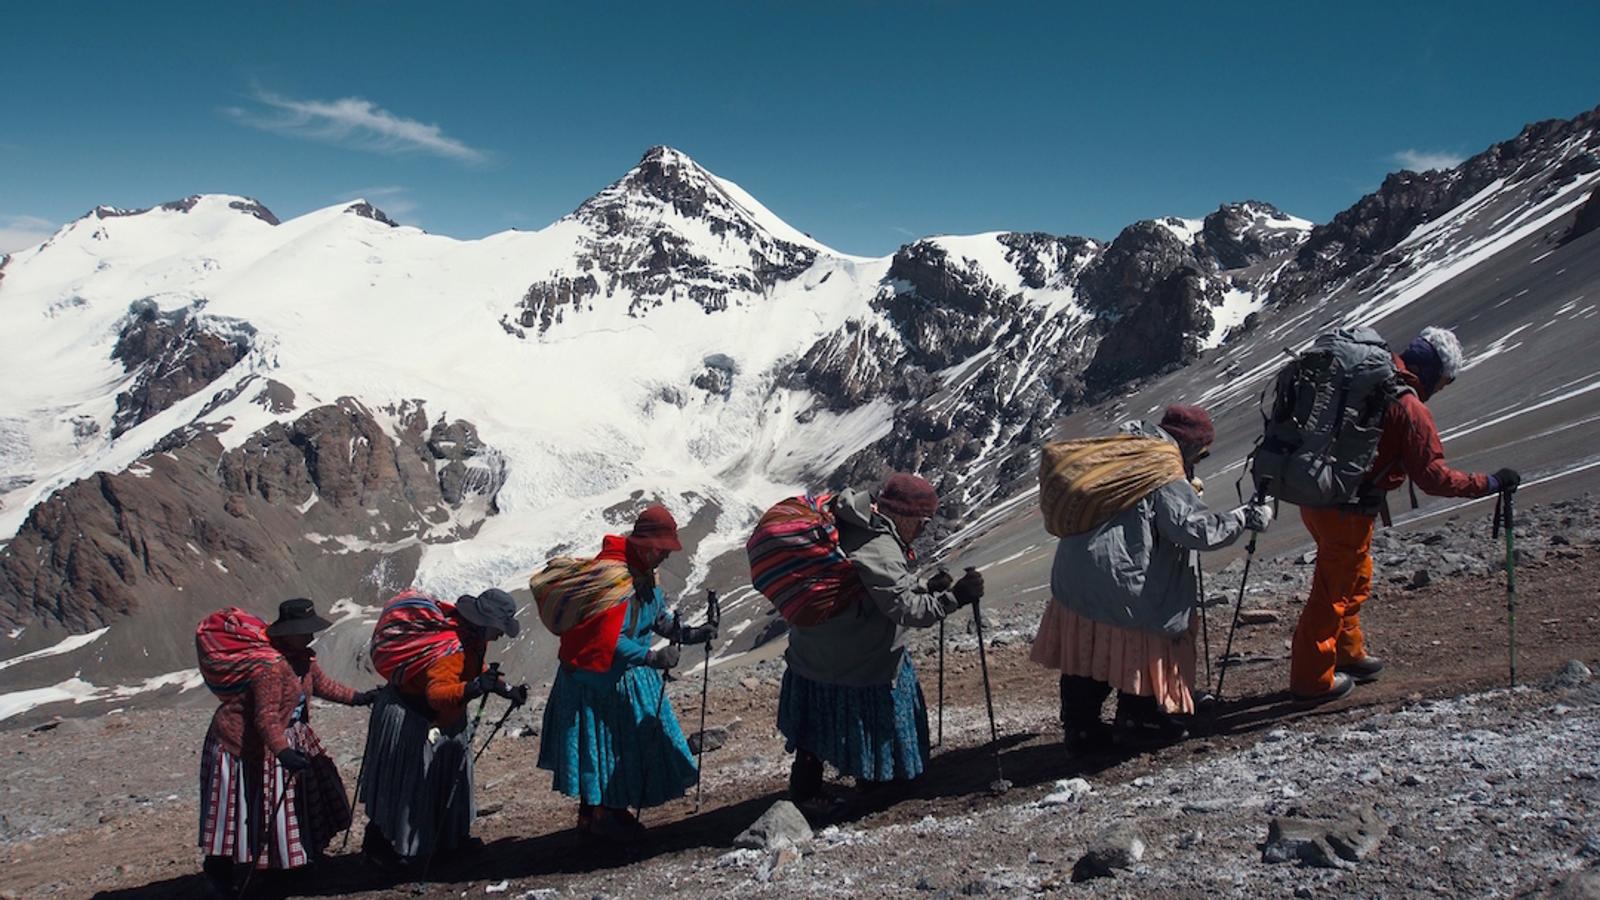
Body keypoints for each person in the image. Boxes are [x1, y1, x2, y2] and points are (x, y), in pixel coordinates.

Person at [1289, 327, 1519, 702]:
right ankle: (1311, 680)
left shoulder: (1369, 381)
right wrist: (1489, 483)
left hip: (1318, 497)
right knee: (1333, 592)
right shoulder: (1408, 406)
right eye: (1444, 381)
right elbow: (1433, 477)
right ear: (1434, 371)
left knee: (1353, 578)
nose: (1440, 389)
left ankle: (1347, 653)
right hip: (1349, 509)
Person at [1030, 406, 1271, 749]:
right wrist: (1243, 517)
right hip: (1122, 582)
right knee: (1139, 647)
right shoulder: (1162, 470)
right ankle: (1138, 716)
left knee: (1088, 651)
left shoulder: (1127, 452)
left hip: (1075, 575)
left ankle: (1080, 728)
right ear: (1190, 445)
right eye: (1200, 453)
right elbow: (1194, 530)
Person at [777, 473, 981, 809]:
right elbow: (907, 610)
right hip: (857, 660)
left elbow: (875, 588)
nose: (923, 530)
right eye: (923, 522)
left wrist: (924, 588)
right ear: (905, 516)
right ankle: (874, 781)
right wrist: (954, 598)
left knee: (813, 729)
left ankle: (806, 788)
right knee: (869, 722)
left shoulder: (852, 523)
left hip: (813, 650)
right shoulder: (880, 546)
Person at [537, 504, 713, 840]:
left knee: (611, 748)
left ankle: (602, 814)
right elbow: (610, 640)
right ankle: (601, 815)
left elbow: (657, 619)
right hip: (598, 681)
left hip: (618, 677)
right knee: (608, 748)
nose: (666, 555)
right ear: (645, 546)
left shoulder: (645, 577)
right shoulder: (615, 581)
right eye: (662, 549)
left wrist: (690, 634)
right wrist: (651, 657)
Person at [197, 599, 377, 896]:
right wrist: (283, 752)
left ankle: (285, 862)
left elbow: (322, 685)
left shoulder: (302, 658)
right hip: (240, 743)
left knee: (274, 804)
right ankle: (223, 872)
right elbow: (266, 717)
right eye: (304, 631)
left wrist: (359, 698)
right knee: (238, 808)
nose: (310, 636)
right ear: (288, 632)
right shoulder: (270, 667)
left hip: (282, 737)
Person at [359, 587, 525, 869]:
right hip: (415, 717)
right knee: (408, 784)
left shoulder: (470, 638)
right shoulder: (451, 649)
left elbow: (474, 668)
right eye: (499, 628)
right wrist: (473, 688)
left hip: (439, 718)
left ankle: (448, 840)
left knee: (440, 781)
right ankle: (384, 847)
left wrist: (506, 689)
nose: (500, 635)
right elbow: (436, 694)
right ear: (484, 623)